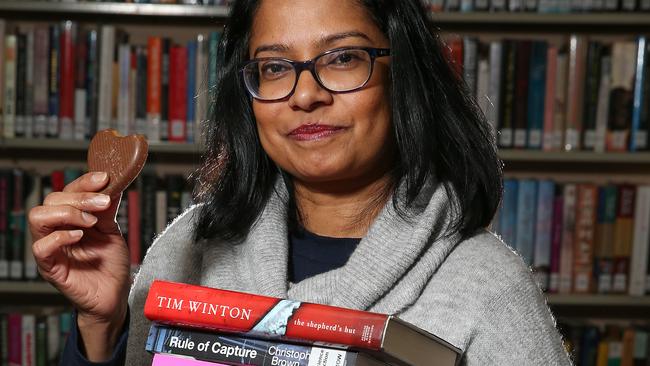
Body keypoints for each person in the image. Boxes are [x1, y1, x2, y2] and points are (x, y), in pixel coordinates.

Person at [28, 0, 573, 365]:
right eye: (273, 66)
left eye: (342, 58)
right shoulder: (188, 246)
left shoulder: (489, 287)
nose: (304, 94)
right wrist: (103, 326)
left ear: (403, 74)